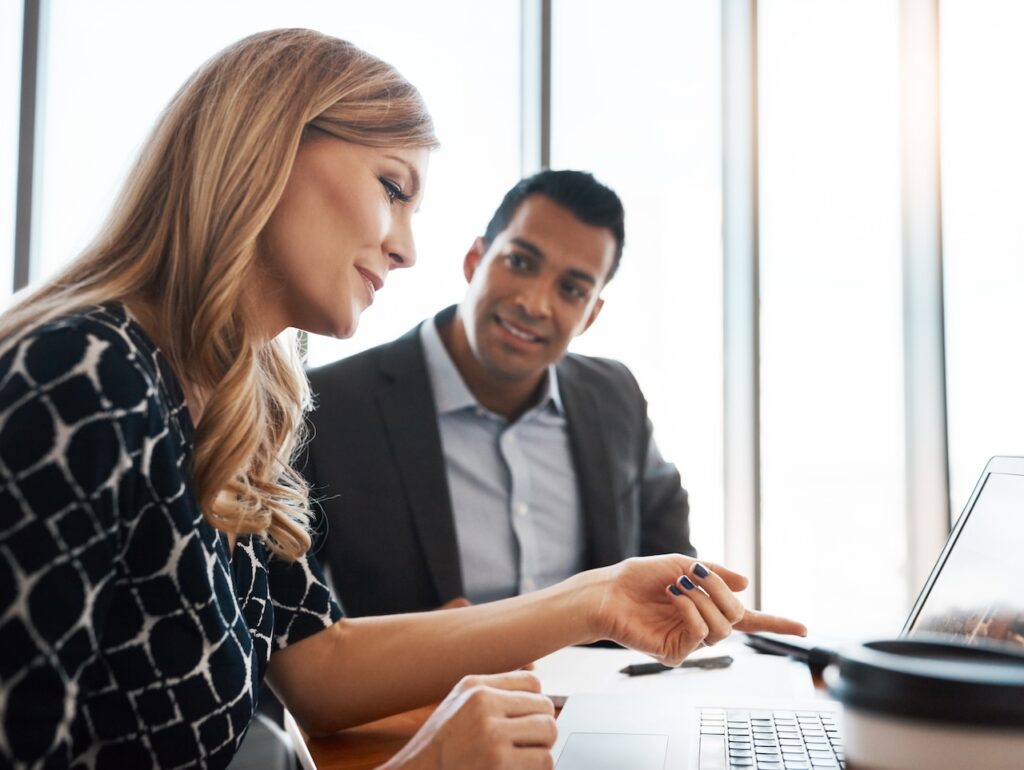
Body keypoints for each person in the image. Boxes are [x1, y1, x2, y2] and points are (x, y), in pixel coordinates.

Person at [0, 29, 805, 770]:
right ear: (267, 148)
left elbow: (315, 662)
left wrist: (595, 597)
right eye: (393, 187)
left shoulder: (234, 406)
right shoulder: (83, 377)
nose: (405, 246)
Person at [303, 170, 696, 617]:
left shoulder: (614, 395)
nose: (534, 304)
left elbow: (671, 573)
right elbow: (293, 625)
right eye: (521, 263)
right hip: (424, 687)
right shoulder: (329, 405)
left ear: (590, 315)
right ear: (475, 260)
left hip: (599, 685)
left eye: (571, 289)